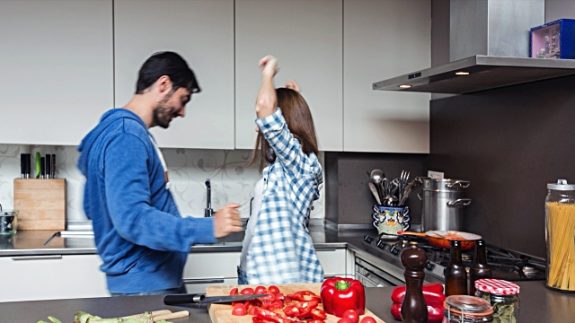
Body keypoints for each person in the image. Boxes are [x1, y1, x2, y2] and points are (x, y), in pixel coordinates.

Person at [77, 51, 243, 295]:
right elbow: (133, 219)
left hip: (145, 282)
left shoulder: (115, 133)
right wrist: (208, 227)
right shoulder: (126, 136)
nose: (182, 112)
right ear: (163, 84)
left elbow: (92, 208)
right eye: (183, 99)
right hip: (146, 286)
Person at [238, 55, 324, 284]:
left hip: (276, 282)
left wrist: (268, 73)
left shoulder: (300, 164)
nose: (259, 129)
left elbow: (264, 110)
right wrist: (293, 100)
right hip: (253, 275)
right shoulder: (290, 166)